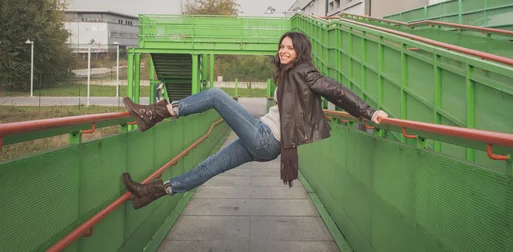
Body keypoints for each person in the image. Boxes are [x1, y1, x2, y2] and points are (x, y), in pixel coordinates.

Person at [121, 31, 388, 209]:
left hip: (266, 138)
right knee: (207, 168)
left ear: (300, 52)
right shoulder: (289, 74)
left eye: (290, 48)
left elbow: (336, 90)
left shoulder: (305, 73)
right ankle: (153, 192)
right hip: (265, 142)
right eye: (282, 46)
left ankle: (154, 113)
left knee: (215, 95)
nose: (283, 51)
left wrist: (370, 111)